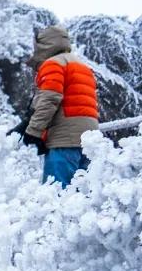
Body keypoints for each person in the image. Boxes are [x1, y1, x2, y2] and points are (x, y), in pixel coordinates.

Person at [20, 26, 99, 186]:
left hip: (64, 141)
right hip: (90, 141)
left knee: (56, 194)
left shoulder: (53, 64)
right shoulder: (83, 67)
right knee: (82, 194)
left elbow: (50, 99)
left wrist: (33, 131)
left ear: (44, 45)